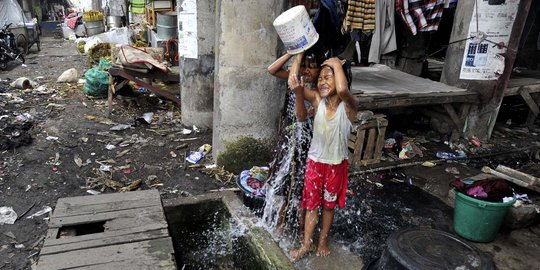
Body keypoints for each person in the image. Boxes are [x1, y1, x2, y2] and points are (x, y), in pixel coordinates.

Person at [288, 52, 358, 260]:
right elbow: (300, 114)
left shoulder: (349, 107)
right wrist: (299, 92)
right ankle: (306, 244)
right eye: (320, 78)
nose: (322, 82)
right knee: (311, 205)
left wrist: (336, 64)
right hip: (315, 164)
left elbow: (343, 89)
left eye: (328, 77)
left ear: (340, 77)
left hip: (336, 166)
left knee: (328, 207)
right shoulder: (318, 101)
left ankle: (323, 241)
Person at [264, 51, 324, 238]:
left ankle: (300, 230)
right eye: (304, 65)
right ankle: (280, 223)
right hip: (290, 138)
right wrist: (294, 54)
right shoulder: (295, 78)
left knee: (302, 186)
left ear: (320, 69)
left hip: (309, 143)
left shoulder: (319, 89)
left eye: (312, 66)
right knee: (284, 183)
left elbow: (304, 116)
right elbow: (272, 70)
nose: (307, 70)